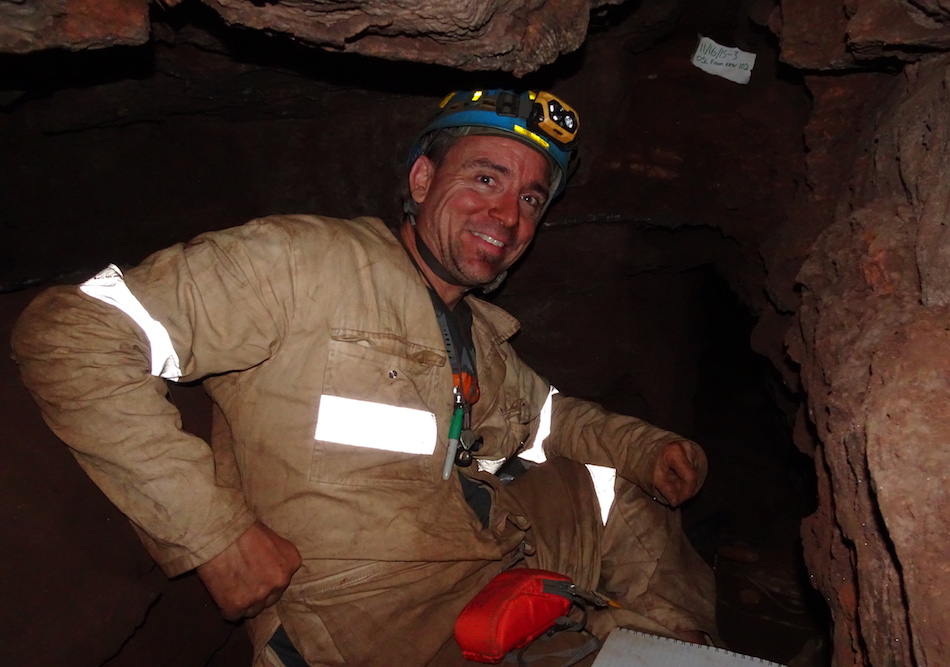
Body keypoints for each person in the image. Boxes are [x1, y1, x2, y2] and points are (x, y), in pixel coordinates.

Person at [11, 89, 717, 666]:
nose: (508, 214)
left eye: (532, 199)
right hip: (379, 635)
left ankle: (673, 648)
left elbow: (554, 420)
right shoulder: (305, 262)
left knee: (622, 492)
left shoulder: (478, 339)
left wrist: (647, 447)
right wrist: (213, 533)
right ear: (421, 179)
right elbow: (72, 332)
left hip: (495, 571)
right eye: (485, 178)